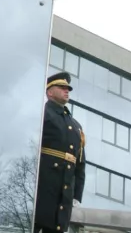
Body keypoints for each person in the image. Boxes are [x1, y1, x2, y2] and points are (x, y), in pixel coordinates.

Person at [34, 72, 86, 233]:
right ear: (49, 92)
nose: (66, 90)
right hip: (43, 192)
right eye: (61, 87)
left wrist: (76, 195)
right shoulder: (42, 114)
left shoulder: (76, 126)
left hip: (63, 198)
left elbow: (80, 163)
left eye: (68, 88)